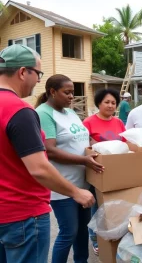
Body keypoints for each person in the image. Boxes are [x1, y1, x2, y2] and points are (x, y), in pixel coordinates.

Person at [0, 44, 95, 263]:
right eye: (38, 74)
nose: (39, 81)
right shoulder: (20, 111)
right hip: (23, 214)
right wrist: (76, 192)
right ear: (23, 72)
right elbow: (39, 167)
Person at [35, 75, 104, 263]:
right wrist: (84, 160)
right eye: (67, 92)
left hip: (83, 184)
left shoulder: (70, 113)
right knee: (68, 232)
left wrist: (102, 147)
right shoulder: (44, 113)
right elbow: (49, 150)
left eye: (73, 92)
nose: (71, 96)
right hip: (63, 187)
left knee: (82, 230)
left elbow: (84, 137)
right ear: (52, 92)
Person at [83, 88, 125, 255]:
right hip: (98, 171)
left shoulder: (119, 122)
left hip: (117, 171)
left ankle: (114, 235)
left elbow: (125, 144)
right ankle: (95, 239)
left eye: (113, 103)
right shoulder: (88, 122)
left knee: (114, 205)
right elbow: (85, 146)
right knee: (98, 207)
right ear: (99, 103)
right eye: (106, 102)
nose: (110, 105)